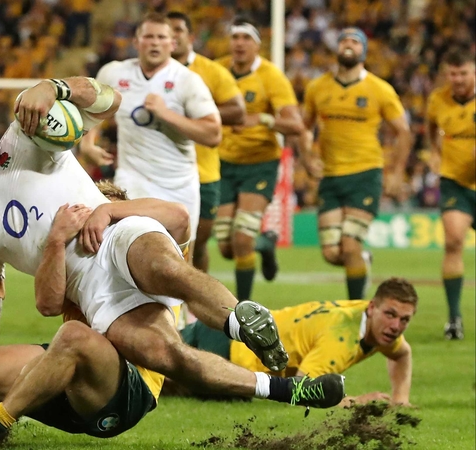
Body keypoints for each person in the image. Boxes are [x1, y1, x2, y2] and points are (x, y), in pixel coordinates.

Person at [0, 184, 344, 449]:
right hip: (72, 369)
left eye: (95, 209)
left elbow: (177, 217)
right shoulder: (66, 249)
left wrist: (111, 209)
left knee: (109, 340)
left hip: (127, 386)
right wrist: (57, 242)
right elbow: (45, 302)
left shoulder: (134, 236)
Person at [80, 12, 222, 255]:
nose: (155, 42)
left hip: (177, 184)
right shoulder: (114, 73)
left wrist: (167, 114)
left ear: (172, 44)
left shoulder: (188, 81)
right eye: (148, 37)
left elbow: (213, 134)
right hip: (131, 179)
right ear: (136, 42)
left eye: (161, 37)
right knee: (130, 250)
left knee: (180, 262)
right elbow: (92, 112)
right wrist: (87, 144)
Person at [174, 277, 416, 407]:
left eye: (404, 319)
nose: (396, 326)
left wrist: (400, 398)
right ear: (373, 307)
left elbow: (402, 354)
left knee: (149, 365)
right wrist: (359, 402)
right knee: (152, 372)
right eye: (391, 314)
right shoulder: (341, 339)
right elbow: (305, 390)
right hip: (228, 353)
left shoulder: (372, 321)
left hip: (234, 335)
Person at [300, 27, 411, 300]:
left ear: (363, 50)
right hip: (331, 176)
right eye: (344, 40)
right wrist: (307, 157)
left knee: (349, 246)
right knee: (331, 253)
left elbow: (404, 132)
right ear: (336, 48)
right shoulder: (318, 87)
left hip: (365, 174)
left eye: (355, 41)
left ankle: (356, 310)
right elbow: (304, 128)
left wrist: (396, 171)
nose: (348, 45)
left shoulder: (380, 89)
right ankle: (363, 260)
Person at [214, 17, 305, 301]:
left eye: (246, 38)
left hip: (259, 163)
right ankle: (265, 243)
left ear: (257, 45)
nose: (239, 43)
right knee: (226, 247)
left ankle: (243, 309)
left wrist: (262, 119)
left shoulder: (271, 77)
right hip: (223, 163)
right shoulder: (217, 71)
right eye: (235, 37)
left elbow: (295, 125)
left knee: (242, 239)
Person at [167, 11, 245, 278]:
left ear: (190, 37)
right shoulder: (148, 74)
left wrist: (197, 115)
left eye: (177, 29)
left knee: (198, 242)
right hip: (161, 172)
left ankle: (196, 301)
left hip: (205, 172)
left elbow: (239, 112)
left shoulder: (212, 72)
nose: (172, 35)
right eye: (167, 31)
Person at [426, 47, 475, 340]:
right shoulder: (438, 100)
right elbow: (431, 127)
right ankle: (454, 317)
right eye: (452, 73)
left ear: (473, 72)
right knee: (454, 241)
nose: (457, 79)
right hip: (455, 181)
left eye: (464, 73)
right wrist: (435, 151)